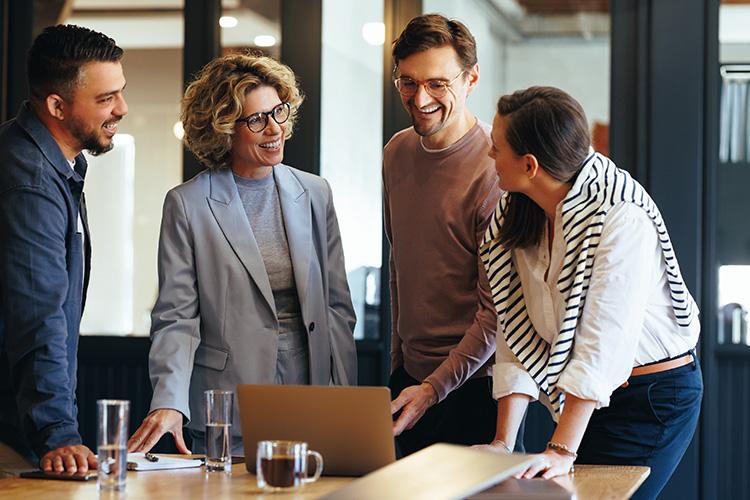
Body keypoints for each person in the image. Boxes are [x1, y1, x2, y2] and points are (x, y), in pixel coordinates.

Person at [127, 52, 357, 456]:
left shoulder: (315, 192)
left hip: (312, 395)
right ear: (224, 129)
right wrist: (169, 399)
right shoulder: (188, 204)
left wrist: (345, 400)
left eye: (279, 112)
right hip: (227, 401)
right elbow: (176, 317)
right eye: (256, 120)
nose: (275, 129)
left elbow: (337, 308)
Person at [478, 86, 702, 499]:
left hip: (653, 399)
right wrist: (502, 444)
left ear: (529, 165)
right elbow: (515, 324)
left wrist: (561, 448)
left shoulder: (620, 216)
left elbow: (605, 342)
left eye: (496, 148)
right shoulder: (519, 209)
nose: (489, 157)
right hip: (587, 397)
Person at [384, 14, 522, 456]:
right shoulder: (396, 152)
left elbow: (496, 311)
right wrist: (400, 368)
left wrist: (433, 387)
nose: (419, 98)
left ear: (472, 79)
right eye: (407, 82)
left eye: (437, 84)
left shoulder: (495, 169)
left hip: (474, 388)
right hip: (408, 383)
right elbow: (399, 266)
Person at [0, 25, 128, 476]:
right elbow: (39, 313)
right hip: (14, 435)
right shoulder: (31, 180)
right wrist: (57, 431)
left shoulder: (56, 163)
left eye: (121, 93)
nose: (122, 109)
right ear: (56, 105)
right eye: (105, 99)